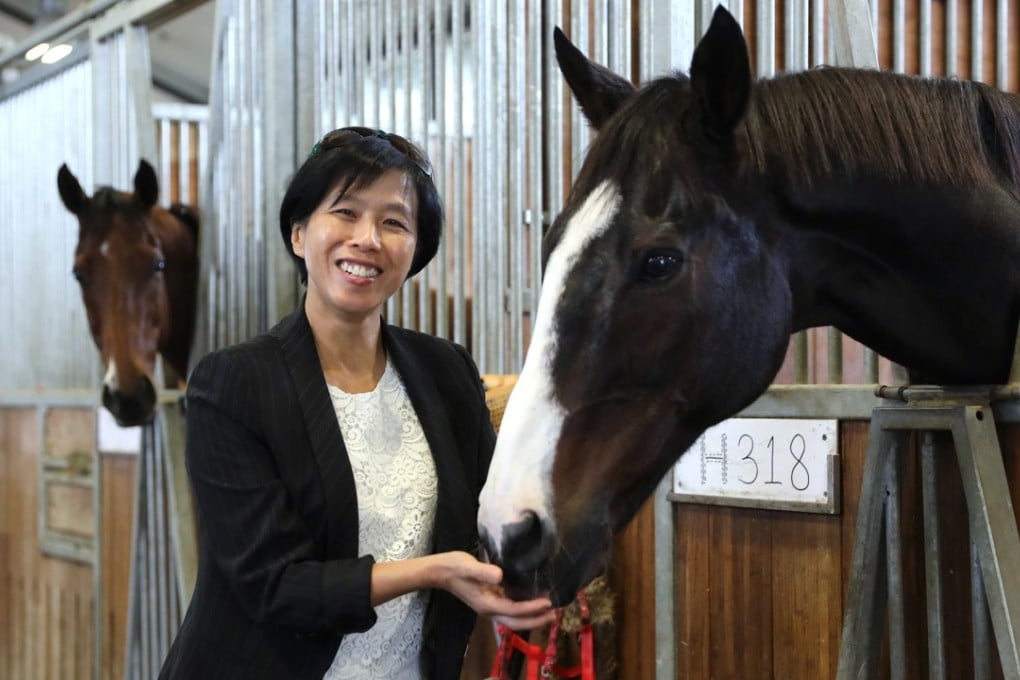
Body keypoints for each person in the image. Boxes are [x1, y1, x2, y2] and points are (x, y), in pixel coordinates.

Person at [159, 127, 554, 680]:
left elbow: (492, 515)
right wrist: (431, 573)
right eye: (345, 212)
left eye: (394, 222)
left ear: (415, 249)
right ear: (299, 234)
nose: (367, 238)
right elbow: (273, 585)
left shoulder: (447, 374)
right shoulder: (234, 384)